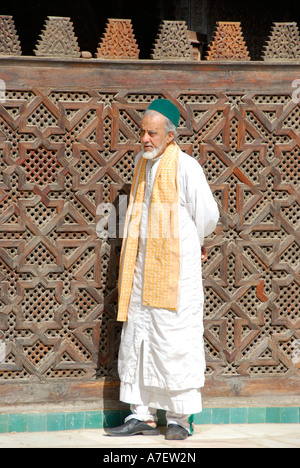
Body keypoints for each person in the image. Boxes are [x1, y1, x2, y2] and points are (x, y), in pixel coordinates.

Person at [105, 99, 219, 440]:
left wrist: (194, 239)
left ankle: (180, 419)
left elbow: (208, 216)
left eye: (152, 133)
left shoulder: (187, 167)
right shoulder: (142, 163)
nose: (144, 139)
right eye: (142, 132)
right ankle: (141, 415)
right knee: (140, 337)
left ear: (170, 136)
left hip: (175, 275)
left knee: (174, 340)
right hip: (142, 271)